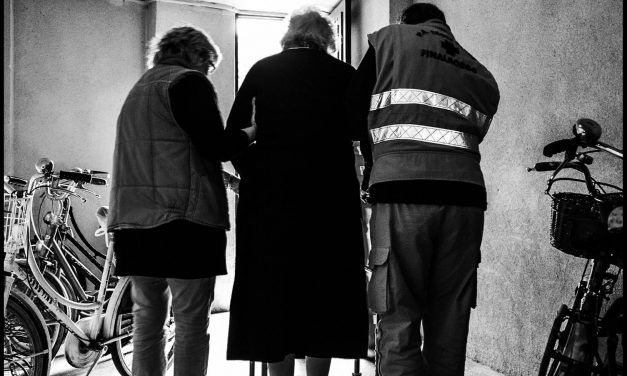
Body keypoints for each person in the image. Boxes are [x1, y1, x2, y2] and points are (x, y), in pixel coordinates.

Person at [348, 3, 500, 376]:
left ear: (405, 22)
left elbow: (351, 113)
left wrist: (372, 161)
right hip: (465, 200)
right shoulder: (479, 71)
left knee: (398, 316)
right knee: (450, 318)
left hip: (402, 192)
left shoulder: (389, 41)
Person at [224, 7, 369, 376]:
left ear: (288, 36)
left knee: (273, 292)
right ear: (327, 39)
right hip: (330, 200)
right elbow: (360, 132)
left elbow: (233, 138)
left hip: (270, 201)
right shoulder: (344, 75)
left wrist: (253, 172)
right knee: (327, 290)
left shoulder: (262, 71)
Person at [107, 26, 252, 376]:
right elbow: (215, 146)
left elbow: (169, 154)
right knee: (189, 323)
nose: (208, 74)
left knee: (147, 324)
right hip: (184, 225)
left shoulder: (139, 90)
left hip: (134, 225)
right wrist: (252, 131)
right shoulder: (188, 82)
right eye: (210, 66)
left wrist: (228, 180)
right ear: (199, 55)